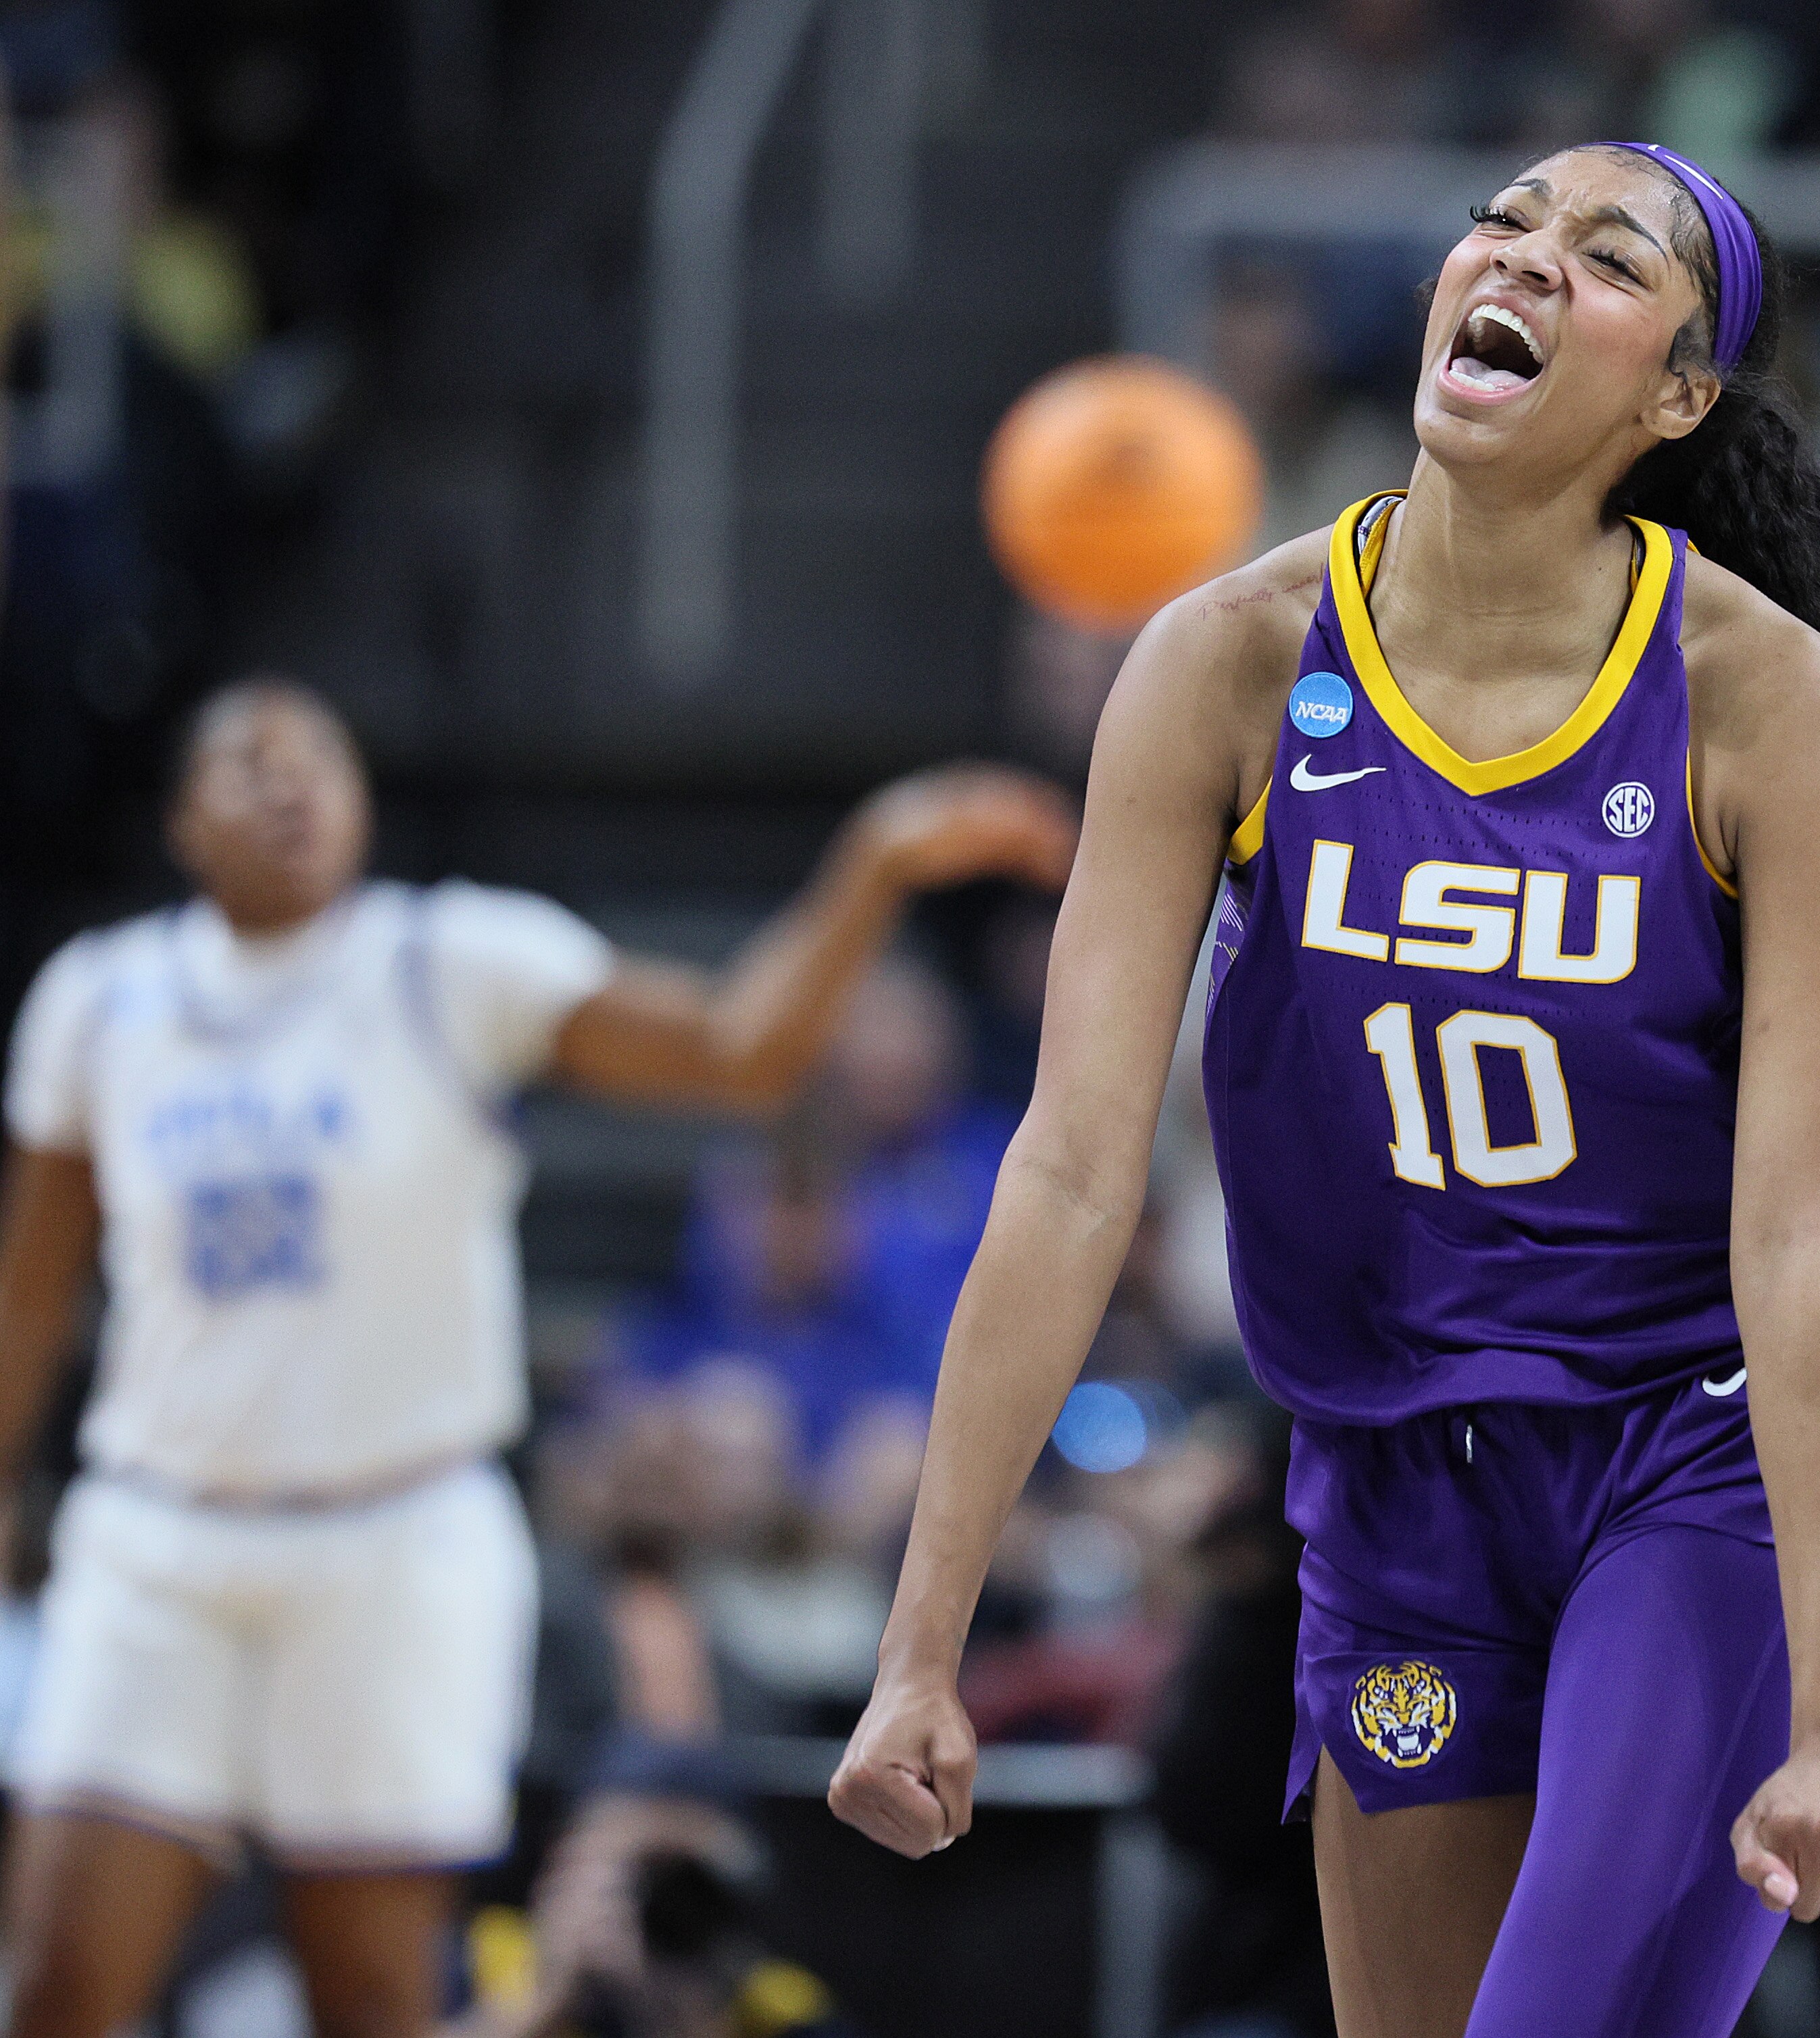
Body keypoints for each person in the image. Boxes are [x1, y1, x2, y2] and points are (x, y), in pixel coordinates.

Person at [828, 141, 1820, 2038]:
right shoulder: (1228, 663)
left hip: (1698, 1447)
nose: (1523, 257)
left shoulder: (1773, 710)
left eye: (1607, 255)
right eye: (1504, 220)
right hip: (1391, 1462)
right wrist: (918, 1646)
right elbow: (1073, 1169)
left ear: (1679, 390)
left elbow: (1792, 1233)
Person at [0, 676, 1074, 2038]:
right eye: (247, 761)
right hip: (159, 1537)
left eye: (318, 756)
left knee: (375, 1998)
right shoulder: (100, 1000)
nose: (289, 783)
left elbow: (741, 1051)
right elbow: (27, 1298)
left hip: (388, 1545)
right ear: (179, 820)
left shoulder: (450, 959)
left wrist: (873, 863)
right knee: (54, 1983)